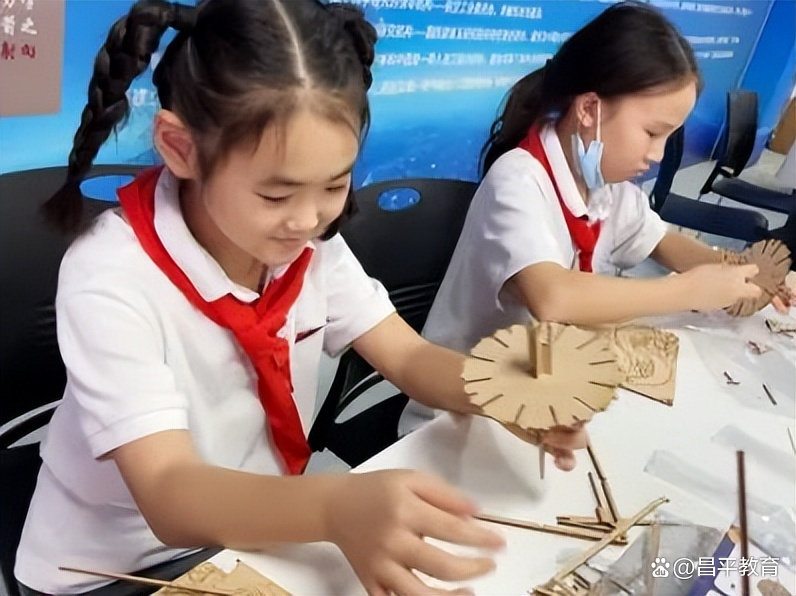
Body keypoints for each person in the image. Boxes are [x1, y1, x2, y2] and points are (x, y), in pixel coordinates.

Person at [15, 1, 587, 593]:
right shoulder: (112, 274)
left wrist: (504, 393)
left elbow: (408, 357)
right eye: (276, 194)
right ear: (180, 147)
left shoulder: (308, 245)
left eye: (335, 185)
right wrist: (334, 507)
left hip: (254, 527)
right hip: (112, 567)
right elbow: (167, 491)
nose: (310, 219)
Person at [422, 1, 787, 354]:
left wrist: (739, 273)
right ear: (589, 109)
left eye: (669, 137)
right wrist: (689, 290)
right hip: (468, 384)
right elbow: (553, 297)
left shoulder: (607, 186)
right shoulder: (518, 181)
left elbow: (660, 240)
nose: (658, 155)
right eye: (652, 132)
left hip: (556, 369)